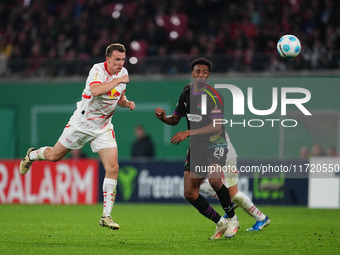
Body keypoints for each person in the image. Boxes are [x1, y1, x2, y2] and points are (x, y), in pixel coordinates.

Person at [19, 43, 135, 230]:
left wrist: (127, 103)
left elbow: (118, 97)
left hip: (103, 127)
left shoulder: (122, 74)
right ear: (108, 59)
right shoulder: (97, 70)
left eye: (123, 59)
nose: (120, 64)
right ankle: (32, 155)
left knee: (113, 167)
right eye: (117, 60)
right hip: (82, 124)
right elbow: (97, 91)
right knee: (54, 156)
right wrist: (119, 80)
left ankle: (106, 216)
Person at [155, 58, 239, 239]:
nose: (201, 75)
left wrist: (188, 133)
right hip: (197, 147)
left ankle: (232, 219)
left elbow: (216, 126)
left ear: (208, 75)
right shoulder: (185, 95)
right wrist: (163, 118)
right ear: (192, 73)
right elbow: (175, 119)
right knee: (190, 193)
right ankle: (220, 222)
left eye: (204, 72)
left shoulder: (215, 96)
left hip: (216, 143)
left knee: (215, 180)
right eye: (197, 72)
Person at [200, 132, 271, 231]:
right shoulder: (205, 122)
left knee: (230, 192)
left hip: (223, 156)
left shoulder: (206, 122)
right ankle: (233, 205)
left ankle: (261, 218)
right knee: (228, 192)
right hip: (222, 154)